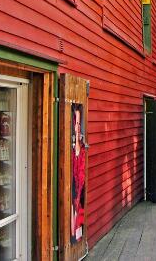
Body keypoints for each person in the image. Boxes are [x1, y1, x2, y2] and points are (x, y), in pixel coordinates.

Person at [71, 104, 86, 242]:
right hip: (73, 178)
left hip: (79, 179)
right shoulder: (74, 149)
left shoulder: (81, 149)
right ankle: (74, 232)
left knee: (78, 202)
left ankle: (77, 233)